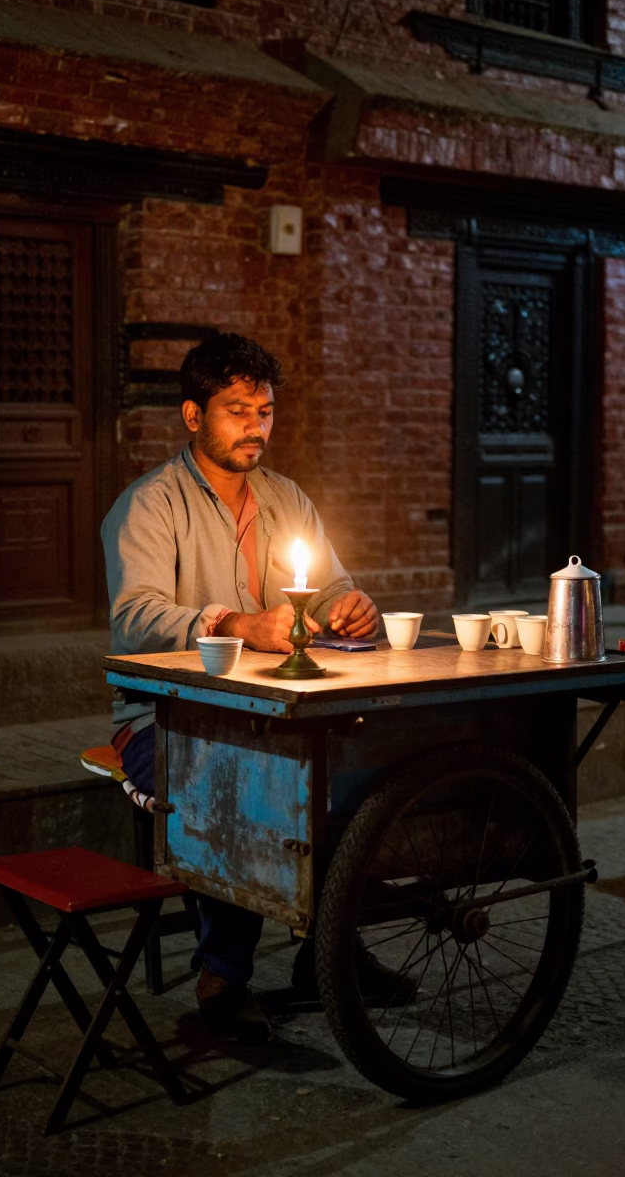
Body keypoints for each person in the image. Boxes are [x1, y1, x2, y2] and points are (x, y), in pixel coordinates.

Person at [102, 331, 380, 1040]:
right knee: (240, 780)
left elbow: (325, 586)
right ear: (193, 416)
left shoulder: (285, 498)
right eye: (237, 411)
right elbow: (135, 617)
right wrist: (232, 622)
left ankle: (331, 950)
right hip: (166, 714)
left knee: (361, 767)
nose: (255, 428)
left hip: (278, 703)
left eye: (264, 411)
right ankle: (222, 976)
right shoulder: (150, 505)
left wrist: (346, 604)